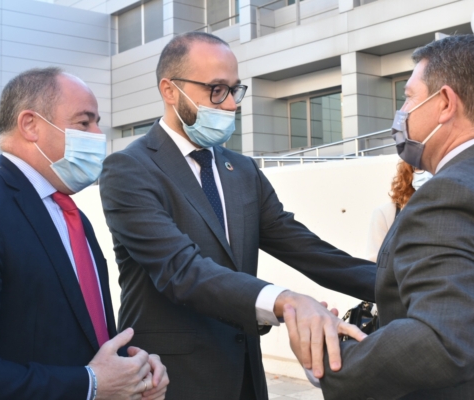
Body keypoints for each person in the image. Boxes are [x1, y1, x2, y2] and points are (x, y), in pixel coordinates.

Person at [99, 32, 376, 400]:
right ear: (169, 90)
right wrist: (285, 301)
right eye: (216, 89)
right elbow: (182, 271)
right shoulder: (129, 169)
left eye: (234, 89)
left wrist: (399, 285)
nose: (230, 104)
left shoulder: (242, 170)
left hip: (245, 377)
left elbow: (304, 247)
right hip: (168, 381)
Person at [286, 34, 474, 399]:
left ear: (446, 102)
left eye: (408, 97)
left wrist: (328, 358)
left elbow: (441, 340)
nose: (401, 112)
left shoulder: (445, 195)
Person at [0, 67, 169, 399]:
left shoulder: (71, 214)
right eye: (84, 123)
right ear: (30, 125)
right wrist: (90, 385)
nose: (98, 134)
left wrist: (131, 371)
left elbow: (84, 336)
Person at [365, 161, 432, 261]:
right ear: (408, 174)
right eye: (419, 168)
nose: (425, 174)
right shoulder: (386, 213)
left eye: (431, 168)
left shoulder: (452, 209)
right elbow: (374, 263)